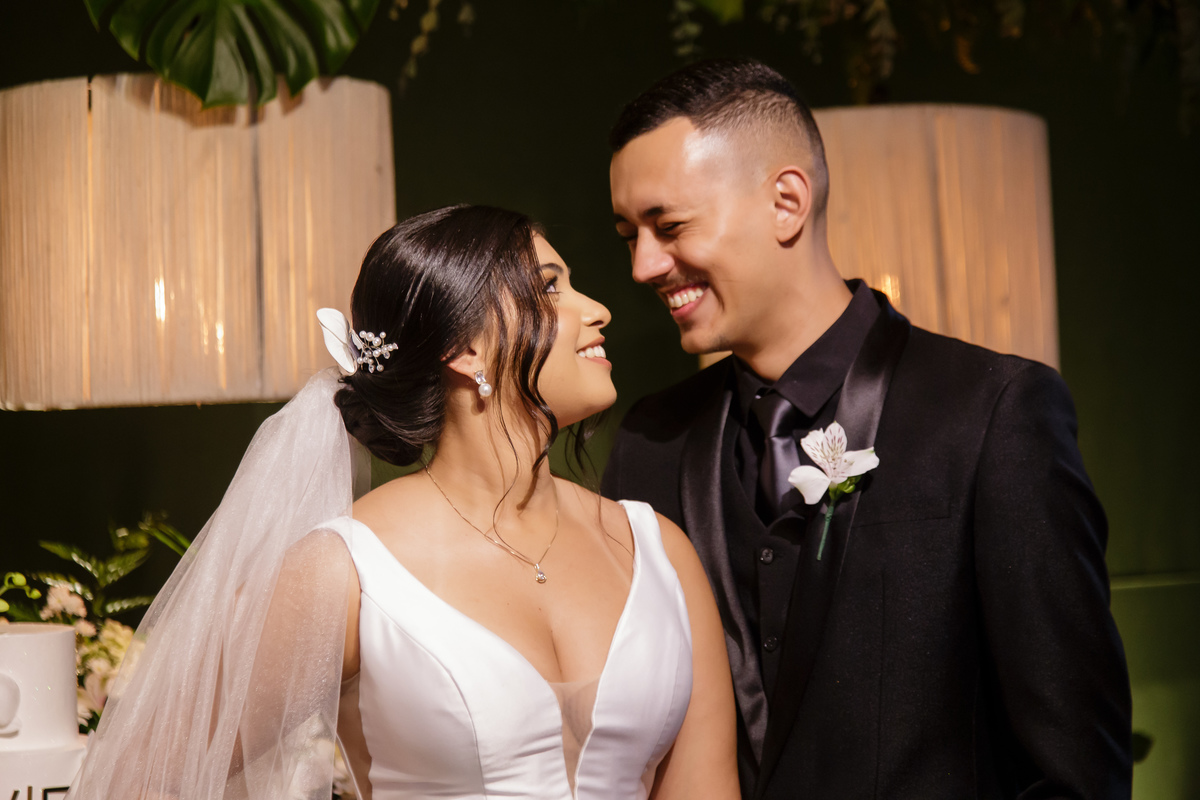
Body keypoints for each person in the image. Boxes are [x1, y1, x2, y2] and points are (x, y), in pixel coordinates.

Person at [66, 205, 740, 800]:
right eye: (549, 287)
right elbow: (141, 774)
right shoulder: (347, 570)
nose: (597, 310)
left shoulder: (658, 552)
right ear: (464, 347)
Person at [601, 58, 1132, 799]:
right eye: (629, 235)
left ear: (787, 202)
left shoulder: (992, 414)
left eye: (669, 226)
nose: (643, 265)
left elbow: (1077, 768)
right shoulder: (648, 444)